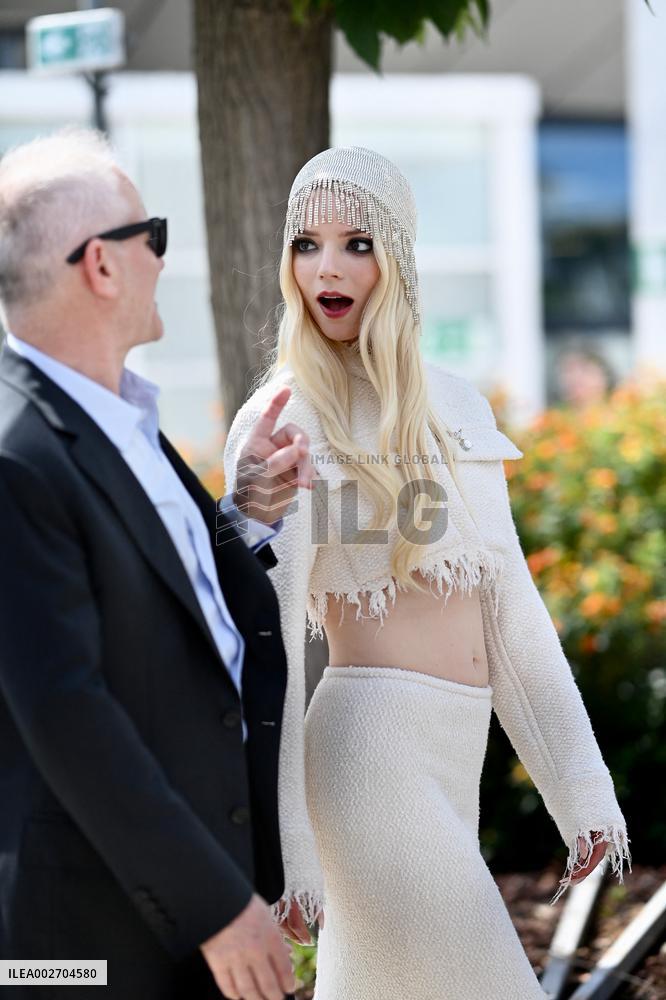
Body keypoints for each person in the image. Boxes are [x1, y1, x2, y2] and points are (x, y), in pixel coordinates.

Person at [223, 146, 632, 1000]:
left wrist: (581, 790)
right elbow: (272, 647)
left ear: (398, 256)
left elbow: (508, 608)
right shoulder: (283, 418)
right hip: (367, 753)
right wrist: (287, 853)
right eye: (306, 244)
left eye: (356, 243)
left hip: (455, 750)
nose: (326, 269)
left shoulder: (457, 406)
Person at [0, 128, 315, 1000]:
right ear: (101, 265)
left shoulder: (118, 420)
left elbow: (161, 615)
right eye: (153, 235)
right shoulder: (16, 455)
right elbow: (67, 712)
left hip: (188, 908)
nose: (163, 259)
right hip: (82, 951)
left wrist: (244, 514)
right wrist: (215, 906)